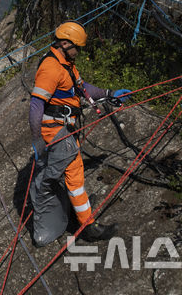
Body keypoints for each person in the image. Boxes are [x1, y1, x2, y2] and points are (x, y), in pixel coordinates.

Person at [29, 21, 131, 246]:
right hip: (56, 131)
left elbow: (83, 88)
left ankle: (81, 215)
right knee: (74, 174)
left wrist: (109, 93)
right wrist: (37, 142)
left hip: (65, 128)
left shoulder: (66, 63)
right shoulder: (51, 68)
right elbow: (36, 105)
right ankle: (88, 226)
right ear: (65, 43)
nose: (79, 51)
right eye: (77, 47)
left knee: (74, 173)